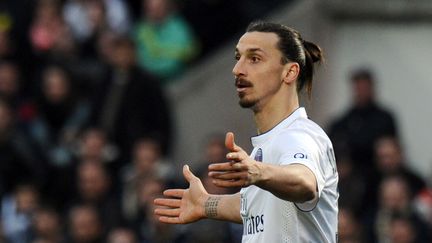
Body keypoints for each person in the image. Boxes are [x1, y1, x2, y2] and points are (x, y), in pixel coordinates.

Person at [154, 21, 338, 242]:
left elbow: (305, 183)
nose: (237, 69)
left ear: (289, 72)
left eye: (254, 59)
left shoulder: (300, 136)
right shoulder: (267, 149)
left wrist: (258, 172)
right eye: (238, 57)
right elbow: (253, 206)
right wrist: (206, 203)